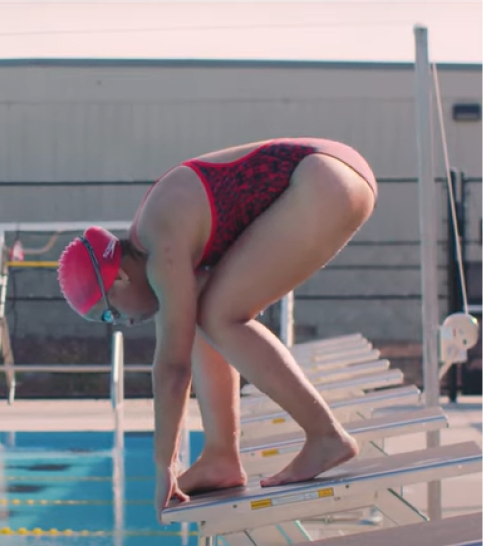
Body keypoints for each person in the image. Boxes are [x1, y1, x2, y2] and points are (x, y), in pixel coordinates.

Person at [55, 137, 378, 523]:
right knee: (208, 312)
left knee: (222, 316)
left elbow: (172, 370)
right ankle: (221, 456)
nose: (122, 326)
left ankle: (326, 435)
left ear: (120, 278)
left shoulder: (162, 247)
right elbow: (185, 340)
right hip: (333, 176)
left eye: (109, 316)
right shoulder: (160, 246)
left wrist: (163, 466)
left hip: (325, 180)